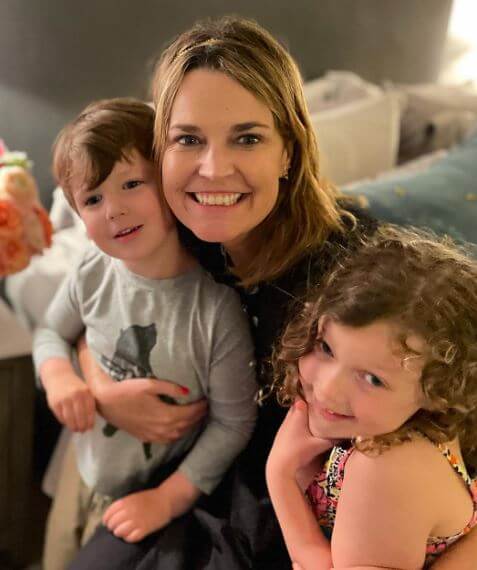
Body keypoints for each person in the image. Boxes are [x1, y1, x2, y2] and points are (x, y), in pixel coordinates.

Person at [69, 16, 477, 569]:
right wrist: (100, 389)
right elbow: (85, 313)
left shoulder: (355, 278)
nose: (213, 170)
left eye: (248, 138)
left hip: (309, 523)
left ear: (288, 151)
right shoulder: (169, 236)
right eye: (188, 139)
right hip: (201, 478)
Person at [33, 98, 257, 570]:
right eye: (92, 199)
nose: (114, 210)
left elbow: (234, 422)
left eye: (132, 184)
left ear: (170, 182)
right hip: (83, 465)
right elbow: (51, 331)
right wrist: (60, 379)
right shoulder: (93, 269)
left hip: (150, 485)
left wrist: (168, 499)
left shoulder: (214, 311)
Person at [267, 225, 477, 569]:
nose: (327, 388)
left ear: (439, 391)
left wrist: (279, 476)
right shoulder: (393, 421)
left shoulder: (385, 468)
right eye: (326, 348)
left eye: (372, 379)